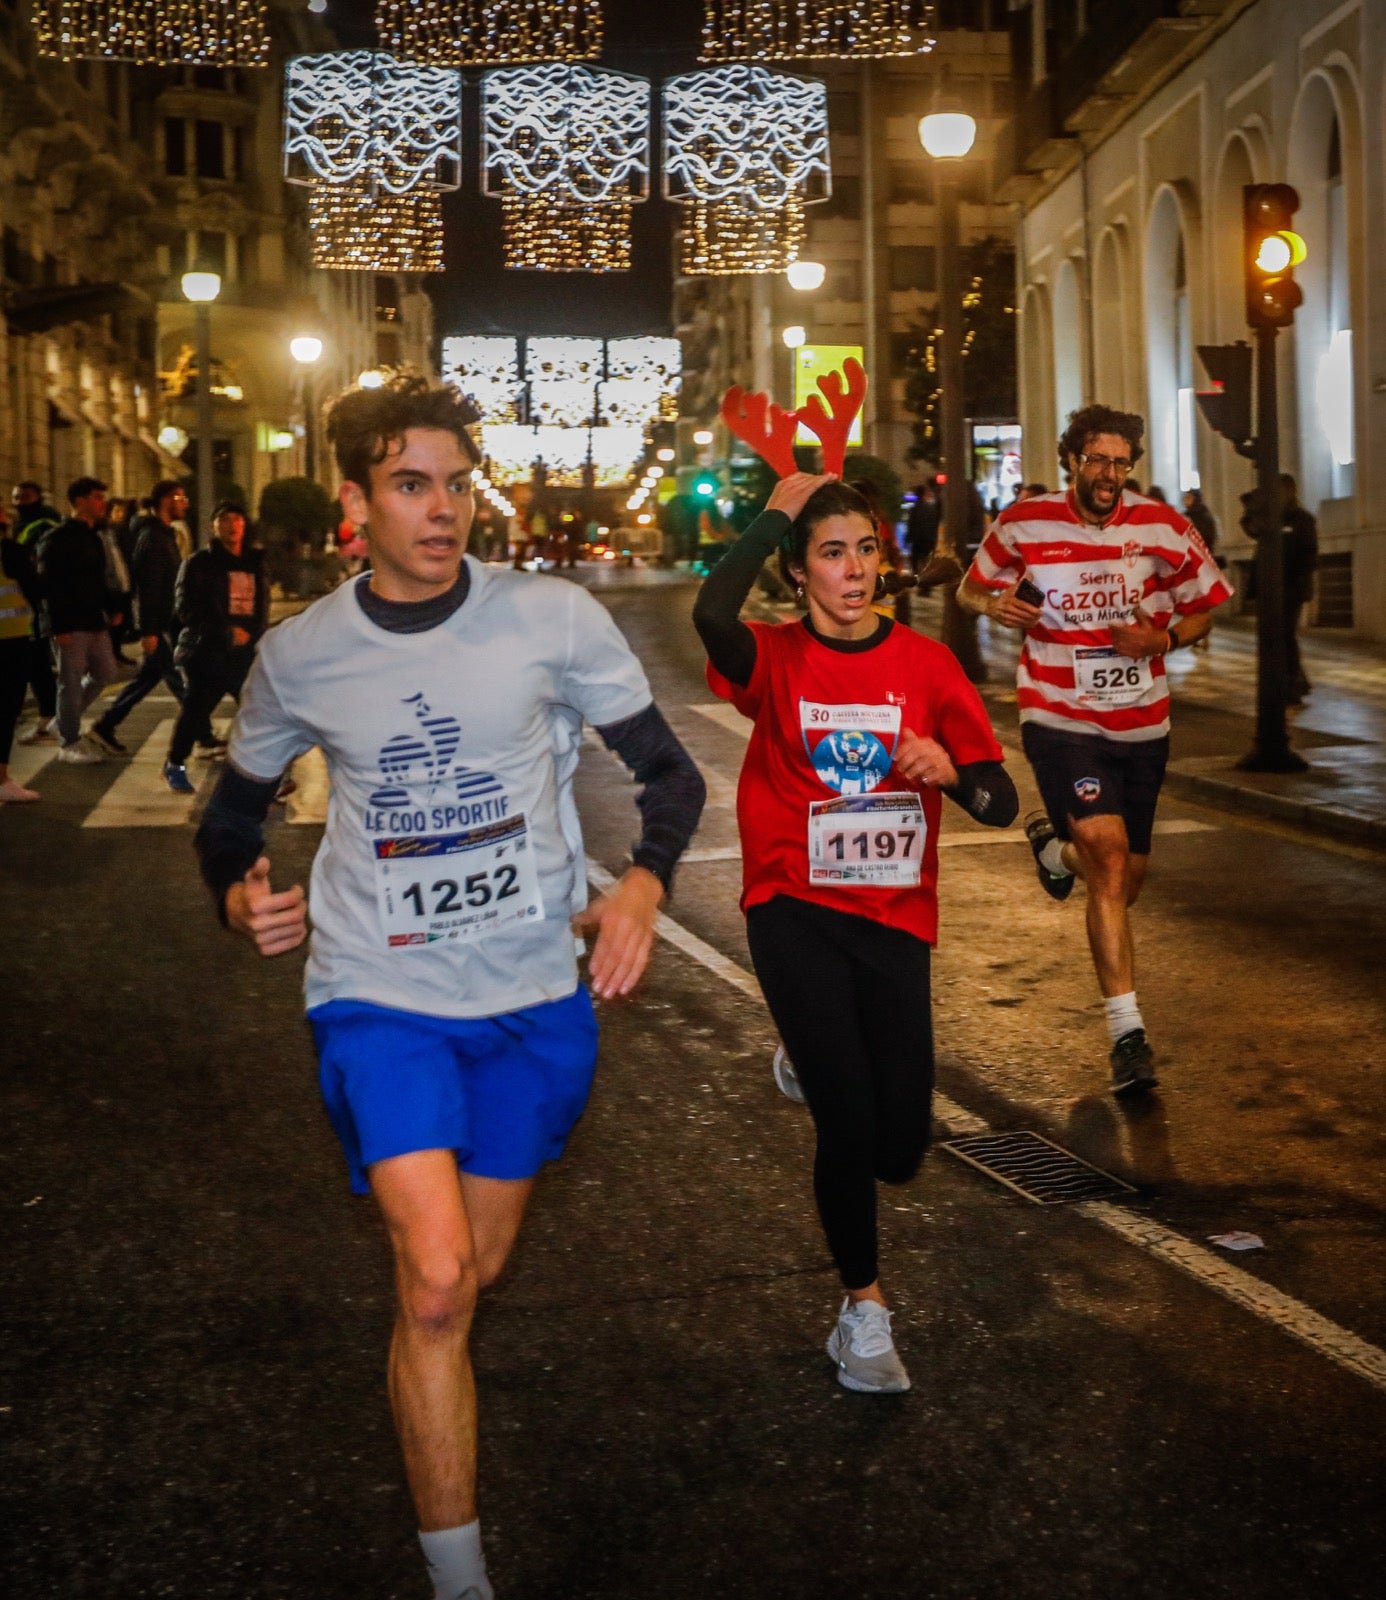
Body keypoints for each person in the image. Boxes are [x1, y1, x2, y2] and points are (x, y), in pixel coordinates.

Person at [193, 374, 704, 1600]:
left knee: (469, 1277)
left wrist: (641, 889)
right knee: (430, 1278)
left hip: (532, 999)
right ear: (357, 505)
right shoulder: (303, 654)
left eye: (458, 484)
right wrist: (237, 889)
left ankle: (438, 1393)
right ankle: (459, 1575)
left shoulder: (552, 617)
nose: (444, 510)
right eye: (412, 485)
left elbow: (671, 780)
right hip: (379, 994)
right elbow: (233, 815)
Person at [692, 473, 1017, 1394]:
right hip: (792, 903)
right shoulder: (773, 657)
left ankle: (807, 1058)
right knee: (846, 1117)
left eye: (866, 549)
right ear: (799, 574)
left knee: (901, 1147)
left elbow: (1000, 800)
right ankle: (864, 1313)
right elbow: (711, 611)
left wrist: (949, 771)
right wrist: (774, 516)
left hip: (893, 915)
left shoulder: (926, 665)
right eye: (832, 553)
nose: (854, 569)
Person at [958, 404, 1233, 1094]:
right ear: (1072, 462)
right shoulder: (1025, 520)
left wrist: (1164, 640)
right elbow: (970, 588)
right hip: (1060, 713)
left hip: (1143, 725)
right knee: (1108, 857)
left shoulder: (1163, 528)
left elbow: (1207, 602)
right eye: (1096, 461)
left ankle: (1054, 847)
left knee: (1123, 880)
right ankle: (1128, 1035)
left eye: (1120, 462)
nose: (1109, 474)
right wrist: (993, 607)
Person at [162, 503, 269, 793]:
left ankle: (267, 776)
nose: (232, 525)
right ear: (214, 526)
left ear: (244, 526)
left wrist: (255, 635)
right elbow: (186, 609)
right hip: (208, 650)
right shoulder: (199, 563)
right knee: (196, 710)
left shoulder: (254, 563)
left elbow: (261, 608)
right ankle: (175, 764)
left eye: (237, 519)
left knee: (260, 711)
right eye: (224, 520)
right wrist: (225, 631)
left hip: (244, 653)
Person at [89, 481, 190, 757]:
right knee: (178, 679)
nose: (185, 503)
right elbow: (148, 589)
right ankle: (202, 734)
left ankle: (106, 725)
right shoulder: (153, 539)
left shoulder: (164, 535)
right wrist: (149, 630)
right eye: (179, 497)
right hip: (158, 625)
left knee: (148, 678)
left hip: (164, 622)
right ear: (165, 501)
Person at [34, 476, 121, 764]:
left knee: (106, 672)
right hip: (69, 623)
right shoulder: (57, 538)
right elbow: (47, 585)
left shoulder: (94, 536)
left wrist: (113, 607)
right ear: (80, 501)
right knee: (69, 682)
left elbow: (99, 579)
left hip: (94, 620)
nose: (102, 503)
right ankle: (69, 741)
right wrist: (57, 625)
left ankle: (63, 720)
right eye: (97, 497)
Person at [11, 482, 61, 744]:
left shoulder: (44, 525)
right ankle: (49, 717)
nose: (19, 502)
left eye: (26, 497)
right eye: (16, 498)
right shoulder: (21, 525)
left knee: (38, 664)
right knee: (36, 665)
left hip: (38, 605)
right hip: (25, 607)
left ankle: (52, 718)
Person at [0, 506, 41, 802]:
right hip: (10, 638)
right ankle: (1, 778)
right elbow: (35, 589)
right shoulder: (10, 551)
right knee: (5, 710)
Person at [1279, 474, 1318, 703]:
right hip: (1277, 589)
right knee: (1280, 637)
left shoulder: (1303, 520)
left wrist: (1300, 582)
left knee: (1286, 637)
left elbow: (1308, 555)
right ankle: (1294, 683)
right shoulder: (1274, 520)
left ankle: (1294, 684)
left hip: (1293, 589)